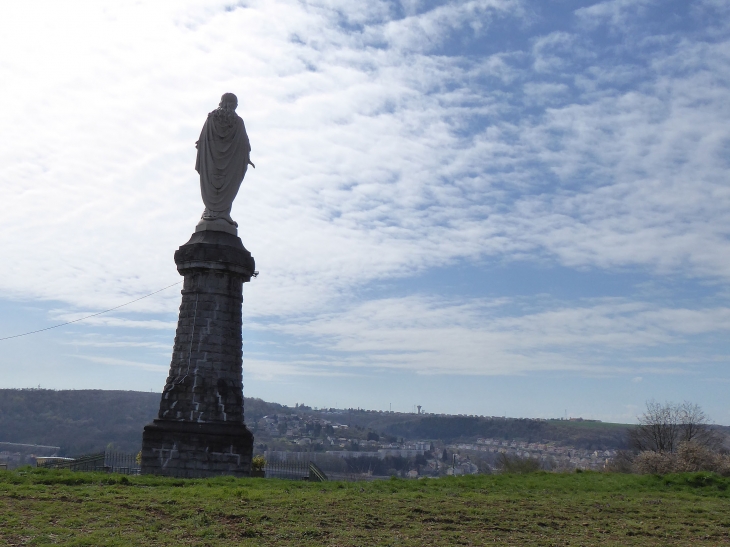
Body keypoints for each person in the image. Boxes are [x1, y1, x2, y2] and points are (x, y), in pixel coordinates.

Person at [195, 93, 255, 227]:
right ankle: (219, 212)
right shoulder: (238, 122)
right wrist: (246, 158)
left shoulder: (211, 119)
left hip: (211, 161)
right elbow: (244, 146)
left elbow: (203, 142)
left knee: (213, 182)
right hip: (229, 164)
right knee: (229, 183)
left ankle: (212, 211)